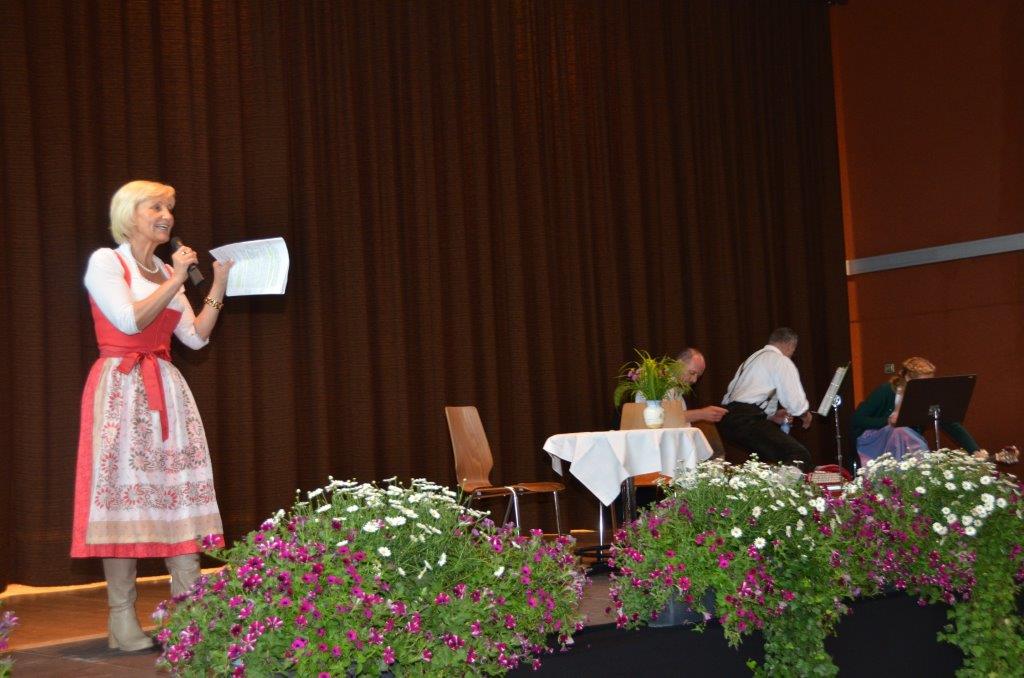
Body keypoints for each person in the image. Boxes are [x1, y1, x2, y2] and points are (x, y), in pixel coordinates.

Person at [71, 180, 233, 651]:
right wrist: (176, 280)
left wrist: (218, 285)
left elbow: (196, 338)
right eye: (156, 207)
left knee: (177, 493)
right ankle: (122, 619)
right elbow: (129, 320)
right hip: (122, 387)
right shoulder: (108, 262)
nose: (166, 215)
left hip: (166, 386)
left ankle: (189, 615)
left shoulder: (164, 269)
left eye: (170, 208)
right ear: (129, 214)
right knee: (124, 498)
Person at [852, 356, 980, 467]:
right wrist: (887, 421)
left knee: (903, 432)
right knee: (900, 430)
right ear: (907, 378)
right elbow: (857, 419)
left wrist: (974, 450)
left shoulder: (926, 395)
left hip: (907, 446)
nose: (926, 388)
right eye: (922, 383)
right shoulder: (886, 390)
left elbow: (949, 422)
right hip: (876, 443)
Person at [718, 327, 813, 468]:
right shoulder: (780, 361)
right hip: (746, 420)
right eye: (793, 350)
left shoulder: (752, 359)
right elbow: (794, 402)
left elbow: (741, 396)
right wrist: (804, 415)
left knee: (774, 458)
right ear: (790, 345)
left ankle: (769, 480)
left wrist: (771, 416)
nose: (792, 354)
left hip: (728, 419)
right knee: (799, 455)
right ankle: (785, 483)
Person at [635, 348, 727, 423]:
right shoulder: (656, 381)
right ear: (679, 364)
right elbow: (663, 417)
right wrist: (702, 414)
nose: (694, 380)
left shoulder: (677, 390)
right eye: (692, 373)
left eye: (698, 376)